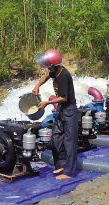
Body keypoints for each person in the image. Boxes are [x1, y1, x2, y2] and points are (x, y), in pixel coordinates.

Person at [32, 49, 78, 180]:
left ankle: (69, 172)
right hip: (62, 109)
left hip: (69, 109)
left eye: (48, 66)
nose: (47, 69)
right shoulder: (54, 71)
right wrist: (37, 86)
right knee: (56, 137)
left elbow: (64, 97)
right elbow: (46, 76)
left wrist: (47, 103)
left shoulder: (63, 75)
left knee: (70, 141)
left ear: (53, 65)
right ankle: (62, 164)